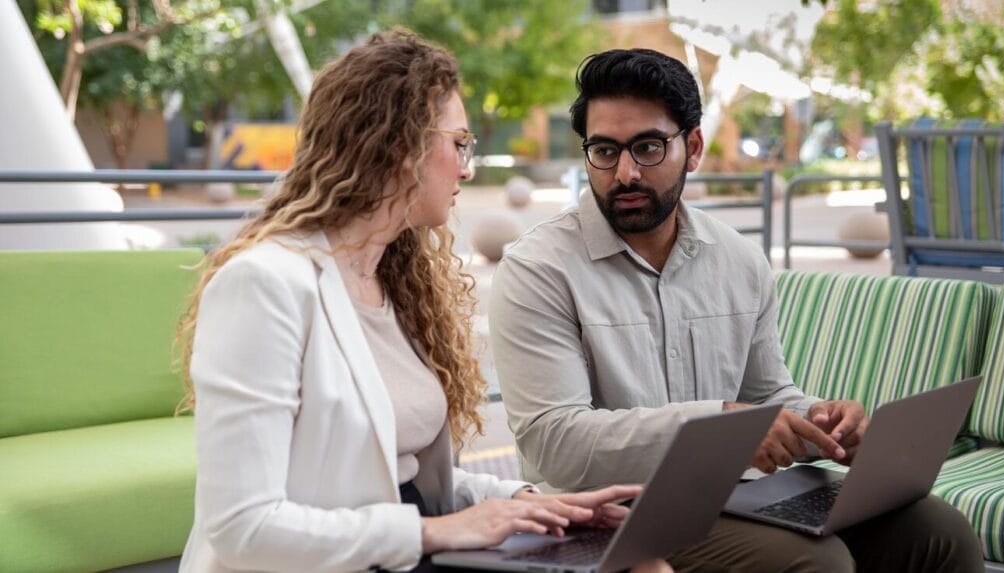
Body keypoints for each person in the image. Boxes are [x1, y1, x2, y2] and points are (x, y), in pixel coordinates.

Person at [489, 47, 985, 572]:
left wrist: (820, 421)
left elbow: (767, 395)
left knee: (940, 532)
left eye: (649, 147)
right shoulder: (538, 270)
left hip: (737, 495)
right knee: (815, 563)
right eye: (605, 151)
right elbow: (554, 445)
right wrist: (722, 425)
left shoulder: (739, 259)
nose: (626, 173)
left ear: (694, 146)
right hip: (607, 512)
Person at [175, 30, 654, 573]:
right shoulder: (265, 284)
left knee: (641, 560)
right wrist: (435, 533)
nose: (466, 168)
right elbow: (244, 528)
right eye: (459, 143)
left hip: (403, 552)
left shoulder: (393, 280)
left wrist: (527, 502)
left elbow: (400, 481)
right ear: (400, 145)